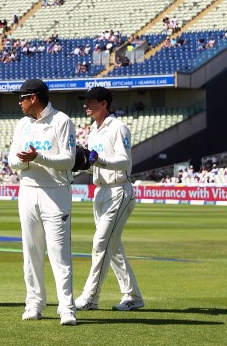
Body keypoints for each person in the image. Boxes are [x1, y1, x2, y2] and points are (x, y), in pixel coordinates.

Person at [8, 79, 77, 325]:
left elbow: (68, 160)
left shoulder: (62, 121)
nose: (19, 103)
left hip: (55, 192)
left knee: (59, 254)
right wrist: (28, 161)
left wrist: (38, 157)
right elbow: (12, 161)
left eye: (22, 98)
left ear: (34, 97)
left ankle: (67, 308)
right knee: (31, 252)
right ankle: (34, 303)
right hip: (27, 191)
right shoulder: (22, 124)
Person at [74, 87, 144, 312]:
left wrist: (99, 160)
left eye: (90, 101)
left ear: (104, 103)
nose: (86, 105)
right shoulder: (93, 131)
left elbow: (124, 162)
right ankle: (133, 296)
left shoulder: (118, 127)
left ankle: (90, 297)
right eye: (85, 101)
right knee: (112, 248)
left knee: (101, 244)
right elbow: (94, 161)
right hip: (101, 191)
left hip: (119, 190)